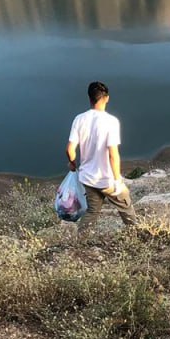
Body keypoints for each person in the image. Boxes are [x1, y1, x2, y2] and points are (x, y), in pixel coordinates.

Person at [66, 81, 137, 231]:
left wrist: (72, 164)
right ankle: (135, 236)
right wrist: (118, 180)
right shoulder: (111, 121)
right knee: (126, 207)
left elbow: (70, 149)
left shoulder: (79, 119)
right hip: (107, 180)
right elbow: (113, 154)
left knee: (92, 211)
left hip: (87, 178)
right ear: (107, 98)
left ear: (89, 98)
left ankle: (80, 243)